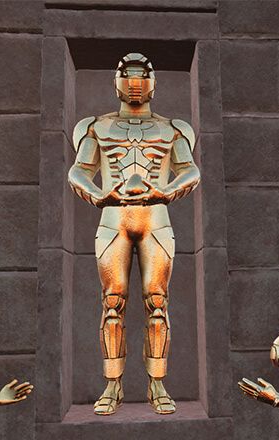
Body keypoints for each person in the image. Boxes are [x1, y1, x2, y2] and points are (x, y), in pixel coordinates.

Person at [67, 52, 201, 416]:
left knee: (157, 302)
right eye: (129, 75)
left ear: (153, 82)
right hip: (114, 219)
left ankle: (157, 383)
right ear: (118, 81)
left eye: (142, 75)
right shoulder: (96, 127)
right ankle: (113, 385)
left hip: (155, 219)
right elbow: (78, 170)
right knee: (112, 303)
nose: (136, 82)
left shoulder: (172, 129)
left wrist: (166, 191)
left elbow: (190, 170)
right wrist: (98, 195)